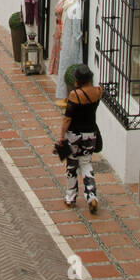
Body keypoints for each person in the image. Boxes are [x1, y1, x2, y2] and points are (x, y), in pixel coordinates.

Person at [58, 66, 103, 212]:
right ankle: (92, 196)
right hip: (90, 134)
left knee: (72, 165)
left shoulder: (74, 95)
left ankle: (70, 198)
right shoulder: (98, 91)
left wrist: (61, 136)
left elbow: (67, 119)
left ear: (78, 80)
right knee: (86, 163)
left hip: (74, 135)